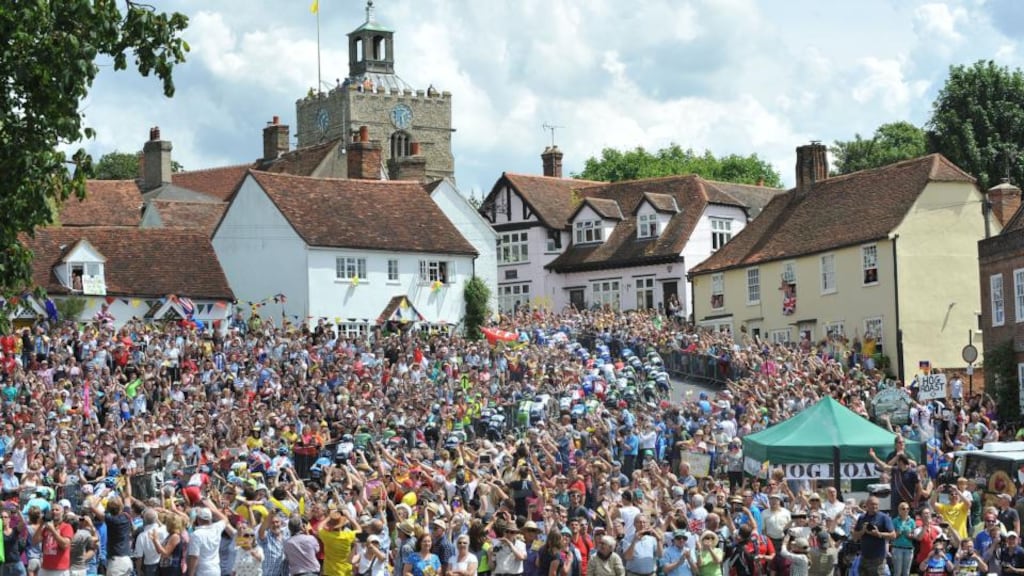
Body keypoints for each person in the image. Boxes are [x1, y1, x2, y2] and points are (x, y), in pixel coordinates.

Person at [852, 496, 895, 576]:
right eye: (872, 504)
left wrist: (879, 534)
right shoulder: (862, 518)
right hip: (864, 557)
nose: (875, 506)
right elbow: (855, 536)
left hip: (878, 559)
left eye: (876, 504)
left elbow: (893, 535)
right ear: (867, 505)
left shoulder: (884, 517)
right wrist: (863, 531)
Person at [187, 502, 233, 576]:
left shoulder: (196, 534)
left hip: (203, 571)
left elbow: (194, 557)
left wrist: (190, 574)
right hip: (216, 570)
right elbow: (225, 519)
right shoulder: (217, 528)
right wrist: (211, 509)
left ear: (198, 519)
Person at [34, 502, 74, 576]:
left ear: (62, 513)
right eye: (52, 510)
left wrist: (53, 530)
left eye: (57, 510)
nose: (54, 512)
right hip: (45, 568)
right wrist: (41, 525)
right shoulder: (46, 528)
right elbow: (34, 541)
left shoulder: (66, 527)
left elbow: (65, 545)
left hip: (59, 570)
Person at [320, 510, 360, 576]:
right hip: (345, 571)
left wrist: (329, 517)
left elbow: (320, 526)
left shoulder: (325, 535)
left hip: (329, 571)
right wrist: (349, 516)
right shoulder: (348, 535)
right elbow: (359, 530)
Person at [891, 503, 916, 576]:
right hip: (897, 548)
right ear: (899, 510)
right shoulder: (895, 521)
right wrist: (898, 533)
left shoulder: (912, 521)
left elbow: (914, 535)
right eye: (903, 508)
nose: (906, 510)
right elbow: (891, 536)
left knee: (906, 573)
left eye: (908, 508)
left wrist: (910, 535)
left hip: (909, 549)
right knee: (897, 572)